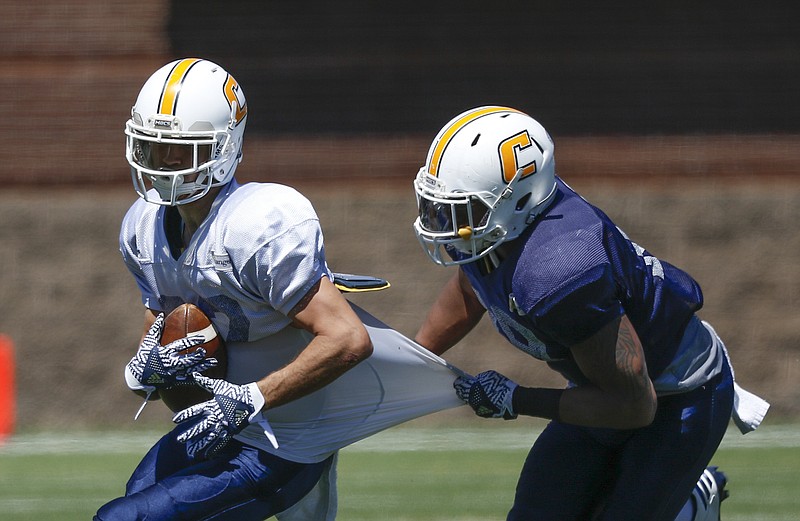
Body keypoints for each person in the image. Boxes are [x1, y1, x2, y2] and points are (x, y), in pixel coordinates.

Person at [94, 58, 463, 520]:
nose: (161, 166)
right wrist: (146, 370)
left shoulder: (256, 225)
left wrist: (251, 396)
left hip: (286, 438)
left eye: (179, 152)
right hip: (219, 428)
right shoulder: (142, 229)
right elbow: (169, 345)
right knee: (132, 502)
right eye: (152, 149)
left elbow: (347, 338)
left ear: (223, 149)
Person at [411, 106, 770, 521]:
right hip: (604, 387)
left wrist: (515, 399)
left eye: (461, 210)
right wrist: (416, 357)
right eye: (438, 207)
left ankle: (691, 505)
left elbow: (634, 407)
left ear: (520, 200)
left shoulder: (559, 268)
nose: (441, 224)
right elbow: (471, 285)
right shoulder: (500, 226)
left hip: (677, 395)